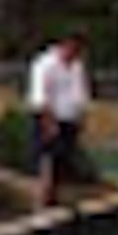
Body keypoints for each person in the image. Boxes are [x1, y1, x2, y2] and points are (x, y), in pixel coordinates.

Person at [24, 36, 92, 195]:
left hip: (69, 119)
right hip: (48, 117)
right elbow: (40, 96)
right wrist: (49, 122)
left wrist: (81, 117)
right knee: (46, 158)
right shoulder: (44, 64)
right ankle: (42, 192)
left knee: (64, 160)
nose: (75, 55)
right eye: (73, 50)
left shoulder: (77, 66)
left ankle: (59, 192)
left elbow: (80, 95)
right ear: (65, 45)